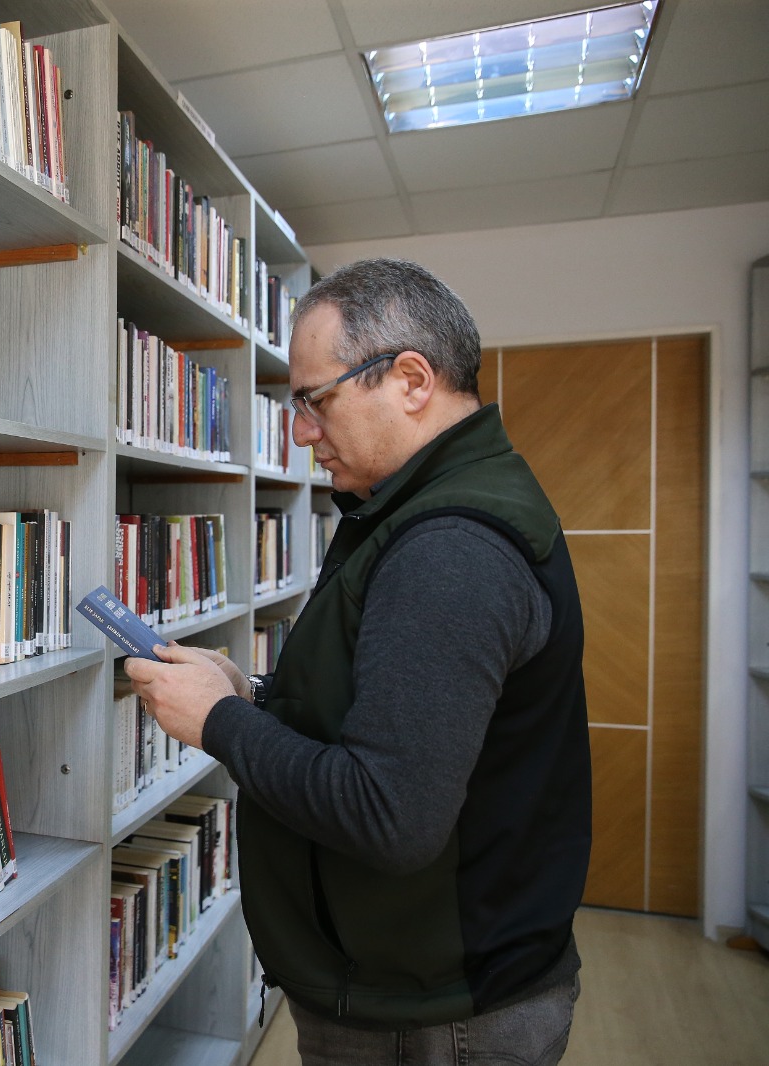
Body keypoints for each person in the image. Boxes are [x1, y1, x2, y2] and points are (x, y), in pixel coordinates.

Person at [124, 258, 591, 1065]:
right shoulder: (412, 509)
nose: (302, 432)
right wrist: (257, 696)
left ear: (411, 379)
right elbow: (391, 714)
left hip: (438, 1018)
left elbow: (389, 813)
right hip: (417, 988)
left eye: (314, 400)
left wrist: (221, 723)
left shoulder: (450, 547)